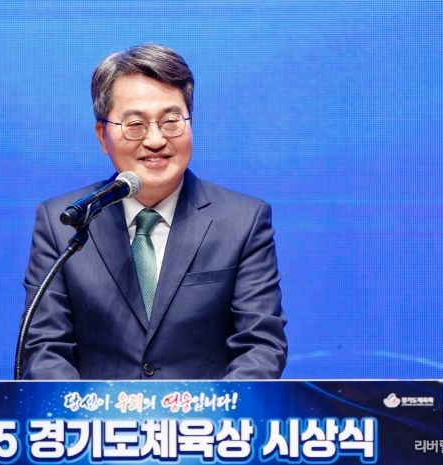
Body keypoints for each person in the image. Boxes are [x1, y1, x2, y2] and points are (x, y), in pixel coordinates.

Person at [21, 44, 287, 380]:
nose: (156, 140)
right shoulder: (64, 222)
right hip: (97, 414)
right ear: (102, 136)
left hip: (204, 413)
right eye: (135, 125)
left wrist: (205, 412)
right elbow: (44, 348)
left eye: (171, 121)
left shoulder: (243, 221)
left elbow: (260, 347)